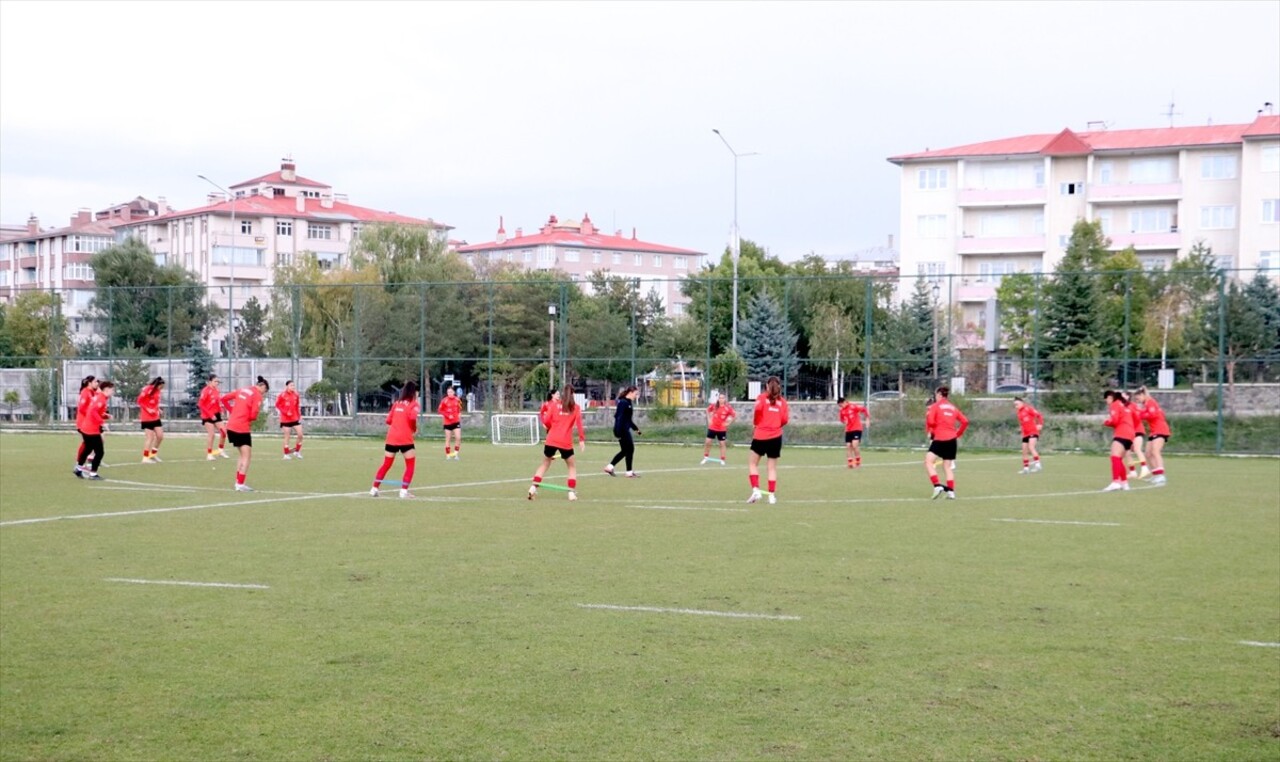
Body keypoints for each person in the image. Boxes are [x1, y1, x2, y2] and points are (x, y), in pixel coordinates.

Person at [529, 387, 586, 501]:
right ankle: (571, 493)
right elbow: (579, 424)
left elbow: (546, 421)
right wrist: (581, 440)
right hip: (565, 442)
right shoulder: (576, 408)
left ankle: (533, 488)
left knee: (545, 464)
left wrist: (552, 427)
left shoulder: (554, 405)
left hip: (551, 439)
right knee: (571, 466)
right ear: (573, 394)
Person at [371, 381, 420, 498]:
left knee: (386, 464)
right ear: (414, 392)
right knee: (410, 465)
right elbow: (412, 417)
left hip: (392, 438)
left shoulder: (396, 403)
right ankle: (403, 491)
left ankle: (374, 488)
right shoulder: (414, 404)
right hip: (405, 439)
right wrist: (414, 429)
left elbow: (388, 420)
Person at [222, 376, 269, 492]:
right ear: (262, 386)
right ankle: (240, 484)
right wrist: (250, 418)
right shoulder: (257, 395)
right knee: (247, 456)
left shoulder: (242, 390)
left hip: (231, 426)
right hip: (241, 427)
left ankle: (238, 482)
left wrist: (231, 410)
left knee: (242, 455)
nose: (264, 394)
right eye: (265, 391)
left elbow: (223, 399)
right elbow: (253, 415)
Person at [747, 376, 789, 504]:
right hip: (776, 437)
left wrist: (756, 424)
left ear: (766, 386)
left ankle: (756, 490)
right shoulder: (783, 402)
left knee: (753, 464)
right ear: (779, 387)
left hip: (761, 435)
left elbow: (757, 412)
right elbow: (785, 420)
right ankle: (771, 496)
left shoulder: (761, 398)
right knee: (771, 468)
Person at [925, 385, 968, 499]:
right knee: (947, 466)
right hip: (952, 440)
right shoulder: (953, 407)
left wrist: (935, 426)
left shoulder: (935, 406)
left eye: (936, 395)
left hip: (940, 438)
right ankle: (951, 492)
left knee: (928, 462)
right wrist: (958, 434)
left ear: (939, 394)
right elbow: (965, 421)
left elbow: (930, 421)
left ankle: (937, 485)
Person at [75, 380, 114, 480]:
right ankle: (93, 474)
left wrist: (106, 415)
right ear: (107, 389)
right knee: (100, 452)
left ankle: (78, 468)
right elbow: (93, 412)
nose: (113, 392)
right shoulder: (101, 398)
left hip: (86, 427)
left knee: (87, 448)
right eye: (112, 389)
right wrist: (102, 423)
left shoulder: (99, 397)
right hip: (91, 429)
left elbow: (95, 410)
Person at [1133, 386, 1170, 486]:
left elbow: (1152, 415)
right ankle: (1156, 475)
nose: (1138, 401)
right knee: (1148, 454)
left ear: (1143, 395)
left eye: (1138, 398)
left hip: (1160, 430)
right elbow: (1145, 414)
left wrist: (1140, 415)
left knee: (1155, 451)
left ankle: (1161, 476)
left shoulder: (1150, 402)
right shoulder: (1146, 405)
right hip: (1154, 431)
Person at [1101, 389, 1135, 492]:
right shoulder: (1123, 405)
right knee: (1118, 459)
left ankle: (1115, 482)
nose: (1106, 402)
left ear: (1110, 398)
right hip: (1130, 433)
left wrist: (1106, 422)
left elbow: (1115, 420)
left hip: (1122, 432)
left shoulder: (1115, 404)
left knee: (1114, 457)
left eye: (1106, 399)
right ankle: (1124, 483)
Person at [604, 386, 641, 477]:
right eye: (635, 394)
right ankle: (628, 472)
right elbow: (618, 417)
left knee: (626, 450)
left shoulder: (628, 403)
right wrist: (617, 430)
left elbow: (628, 420)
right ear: (630, 392)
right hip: (621, 430)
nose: (636, 396)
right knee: (629, 449)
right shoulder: (623, 402)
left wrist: (636, 429)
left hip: (625, 429)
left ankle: (611, 467)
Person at [198, 374, 230, 460]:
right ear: (210, 381)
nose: (217, 383)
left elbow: (217, 402)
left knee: (224, 432)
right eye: (215, 381)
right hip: (207, 415)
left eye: (218, 382)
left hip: (216, 414)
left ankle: (220, 450)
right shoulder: (205, 390)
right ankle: (209, 454)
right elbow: (200, 404)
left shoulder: (216, 390)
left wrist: (221, 410)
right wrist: (210, 415)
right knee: (212, 435)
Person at [137, 376, 165, 463]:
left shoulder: (158, 392)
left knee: (160, 436)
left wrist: (158, 409)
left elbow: (155, 402)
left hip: (155, 416)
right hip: (146, 417)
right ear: (157, 384)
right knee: (150, 437)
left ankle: (153, 454)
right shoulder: (147, 389)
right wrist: (148, 409)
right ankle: (145, 458)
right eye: (161, 386)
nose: (162, 388)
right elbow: (139, 401)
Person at [701, 395, 736, 465]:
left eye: (722, 398)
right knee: (707, 442)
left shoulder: (728, 408)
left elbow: (735, 415)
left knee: (722, 444)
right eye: (720, 398)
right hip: (712, 427)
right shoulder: (714, 406)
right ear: (718, 399)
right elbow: (707, 410)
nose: (721, 399)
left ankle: (722, 459)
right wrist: (709, 419)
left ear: (725, 399)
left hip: (722, 429)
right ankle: (705, 457)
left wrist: (728, 423)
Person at [1013, 396, 1044, 474]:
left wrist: (1040, 424)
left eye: (1017, 404)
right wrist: (1021, 429)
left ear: (1022, 403)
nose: (1016, 406)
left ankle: (1038, 464)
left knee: (1031, 447)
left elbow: (1039, 415)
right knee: (1024, 451)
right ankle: (1026, 469)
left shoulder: (1028, 409)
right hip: (1025, 434)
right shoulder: (1019, 413)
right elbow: (1022, 423)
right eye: (1015, 405)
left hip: (1033, 432)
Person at [73, 375, 98, 468]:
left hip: (89, 423)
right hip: (83, 423)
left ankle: (84, 463)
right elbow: (82, 408)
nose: (97, 383)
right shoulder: (85, 392)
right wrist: (90, 415)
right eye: (95, 382)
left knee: (89, 444)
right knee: (87, 444)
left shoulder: (92, 392)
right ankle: (79, 463)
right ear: (89, 383)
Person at [838, 396, 870, 468]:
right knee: (848, 446)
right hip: (848, 430)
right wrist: (844, 422)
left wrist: (867, 419)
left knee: (855, 445)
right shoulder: (842, 411)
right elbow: (841, 419)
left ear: (845, 402)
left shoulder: (853, 406)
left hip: (857, 428)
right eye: (839, 406)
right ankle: (850, 463)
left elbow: (864, 409)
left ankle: (858, 461)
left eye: (841, 405)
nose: (841, 407)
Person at [275, 379, 304, 460]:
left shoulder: (296, 395)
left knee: (300, 435)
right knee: (287, 436)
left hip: (295, 418)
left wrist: (299, 416)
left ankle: (297, 451)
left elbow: (297, 406)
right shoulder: (282, 395)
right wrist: (285, 412)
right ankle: (286, 454)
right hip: (285, 419)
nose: (293, 387)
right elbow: (277, 405)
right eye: (291, 385)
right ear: (287, 386)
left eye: (294, 385)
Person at [1126, 391, 1150, 480]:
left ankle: (1145, 468)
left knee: (1137, 449)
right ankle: (1132, 472)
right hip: (1129, 432)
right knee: (1127, 452)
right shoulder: (1124, 407)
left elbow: (1139, 415)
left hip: (1137, 431)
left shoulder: (1132, 406)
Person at [439, 384, 463, 460]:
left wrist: (459, 415)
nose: (449, 393)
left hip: (456, 422)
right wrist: (447, 415)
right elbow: (440, 410)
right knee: (448, 439)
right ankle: (448, 455)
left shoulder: (457, 400)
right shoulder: (444, 400)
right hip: (447, 423)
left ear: (454, 392)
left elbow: (459, 409)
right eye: (448, 392)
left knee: (458, 438)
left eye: (450, 392)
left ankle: (456, 454)